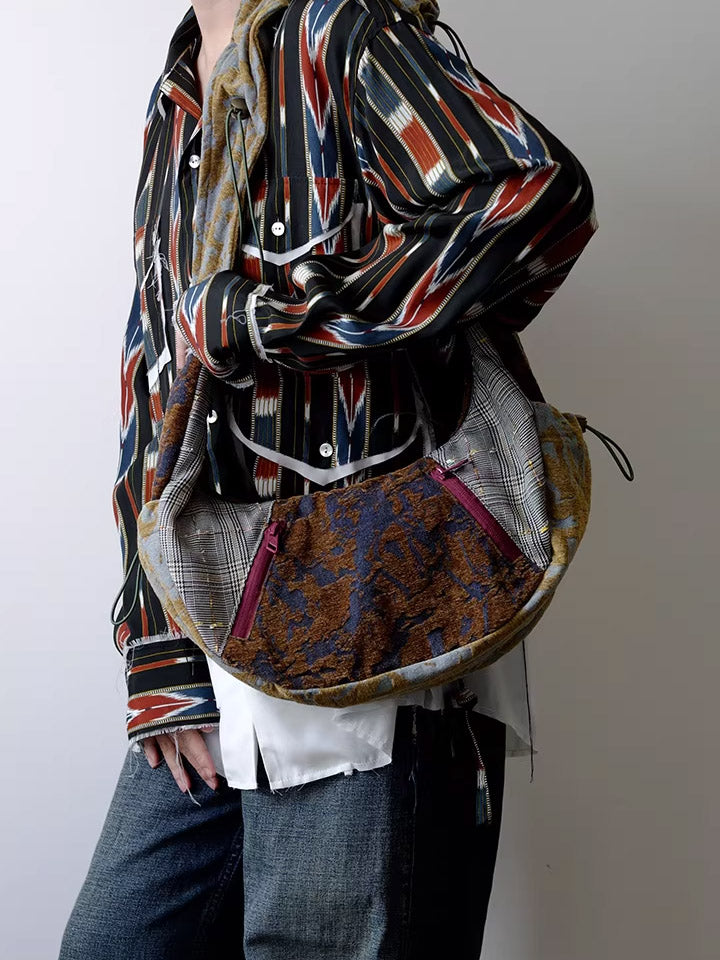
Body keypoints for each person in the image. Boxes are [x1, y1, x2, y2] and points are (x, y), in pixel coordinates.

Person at [59, 1, 597, 957]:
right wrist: (155, 644)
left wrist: (273, 321)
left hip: (374, 627)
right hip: (215, 627)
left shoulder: (340, 29)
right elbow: (158, 374)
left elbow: (533, 197)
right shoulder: (178, 88)